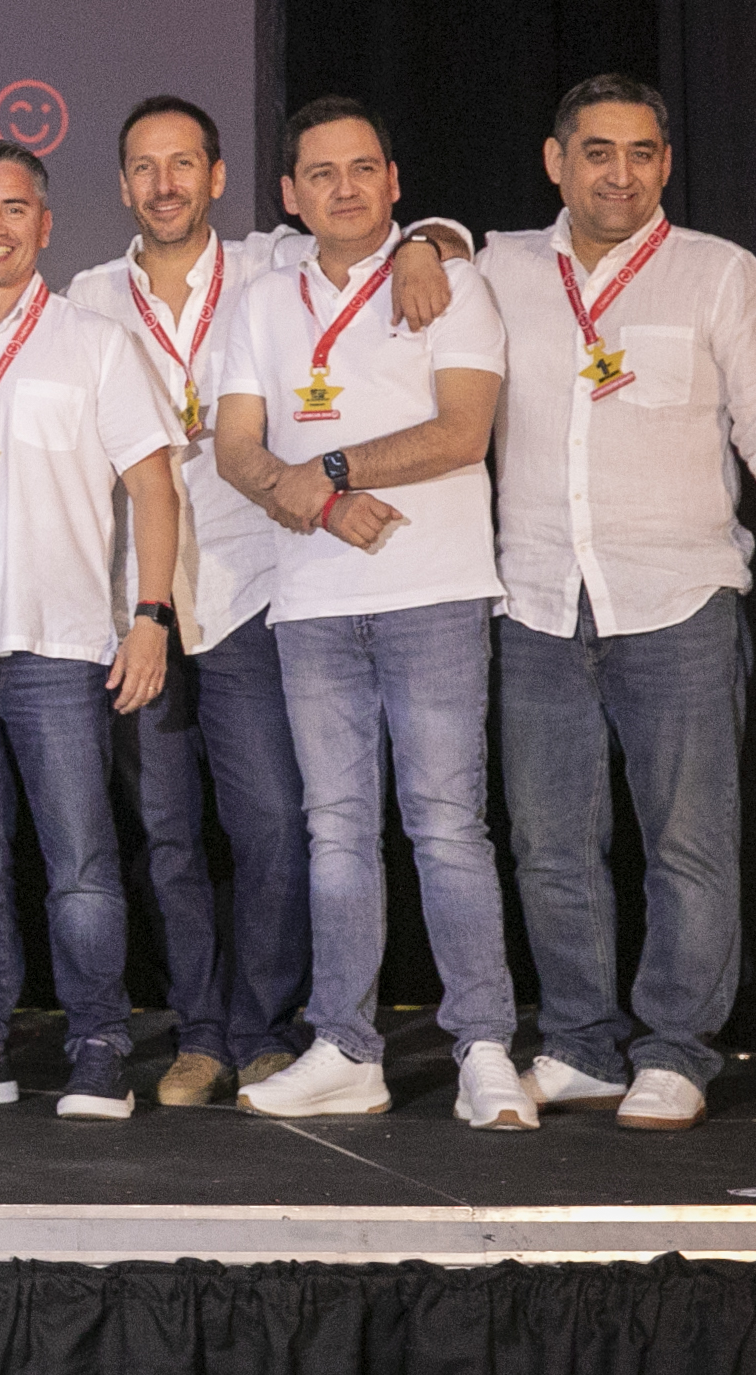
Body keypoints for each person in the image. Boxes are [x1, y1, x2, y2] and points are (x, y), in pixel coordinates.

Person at [0, 104, 458, 1109]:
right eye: (144, 168)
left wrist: (428, 239)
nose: (164, 185)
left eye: (182, 164)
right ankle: (199, 1035)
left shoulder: (273, 265)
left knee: (273, 826)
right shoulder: (90, 296)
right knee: (165, 838)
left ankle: (262, 1029)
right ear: (119, 187)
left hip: (248, 588)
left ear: (216, 176)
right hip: (125, 604)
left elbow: (368, 233)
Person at [481, 74, 756, 1132]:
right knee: (549, 847)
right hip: (536, 601)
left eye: (642, 152)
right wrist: (427, 239)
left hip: (679, 599)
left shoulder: (718, 273)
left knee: (687, 845)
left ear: (665, 163)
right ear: (555, 161)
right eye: (597, 151)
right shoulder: (497, 268)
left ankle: (675, 1049)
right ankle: (578, 1042)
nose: (621, 173)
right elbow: (417, 260)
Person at [213, 96, 537, 1130]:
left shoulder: (451, 280)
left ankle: (484, 1046)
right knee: (336, 833)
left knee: (445, 825)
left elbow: (462, 432)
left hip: (432, 591)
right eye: (321, 173)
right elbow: (234, 446)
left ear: (394, 182)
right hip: (312, 603)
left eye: (362, 169)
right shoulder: (264, 302)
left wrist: (333, 469)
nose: (344, 188)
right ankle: (346, 1049)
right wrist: (313, 498)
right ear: (288, 194)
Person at [0, 140, 191, 1119]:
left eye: (14, 209)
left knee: (81, 863)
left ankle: (98, 1041)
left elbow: (154, 487)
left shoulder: (94, 342)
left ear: (45, 226)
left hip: (60, 645)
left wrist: (151, 617)